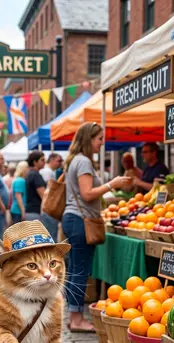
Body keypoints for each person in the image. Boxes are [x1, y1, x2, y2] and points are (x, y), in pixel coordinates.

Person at [62, 122, 130, 332]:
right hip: (81, 221)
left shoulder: (75, 160)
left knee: (74, 269)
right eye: (99, 139)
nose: (102, 143)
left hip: (73, 219)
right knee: (80, 270)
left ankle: (73, 314)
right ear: (89, 139)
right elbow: (87, 193)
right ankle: (76, 319)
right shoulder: (83, 162)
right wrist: (112, 184)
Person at [26, 151, 47, 221]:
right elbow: (44, 195)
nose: (45, 162)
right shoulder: (35, 175)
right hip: (35, 212)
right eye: (42, 160)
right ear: (35, 162)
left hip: (31, 211)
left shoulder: (30, 173)